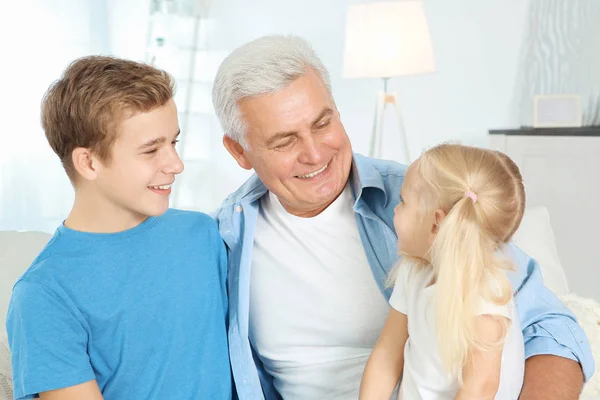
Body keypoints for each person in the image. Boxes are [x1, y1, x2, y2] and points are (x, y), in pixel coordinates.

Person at [212, 34, 593, 400]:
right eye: (285, 141)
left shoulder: (427, 198)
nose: (314, 153)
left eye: (323, 123)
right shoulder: (225, 238)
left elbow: (549, 326)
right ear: (239, 151)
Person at [6, 56, 232, 400]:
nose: (176, 164)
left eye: (173, 142)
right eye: (151, 150)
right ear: (89, 162)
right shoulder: (43, 296)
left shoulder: (202, 235)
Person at [360, 144, 526, 399]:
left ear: (436, 223)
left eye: (403, 201)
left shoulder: (484, 293)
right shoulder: (413, 271)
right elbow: (387, 354)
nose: (395, 208)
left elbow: (479, 387)